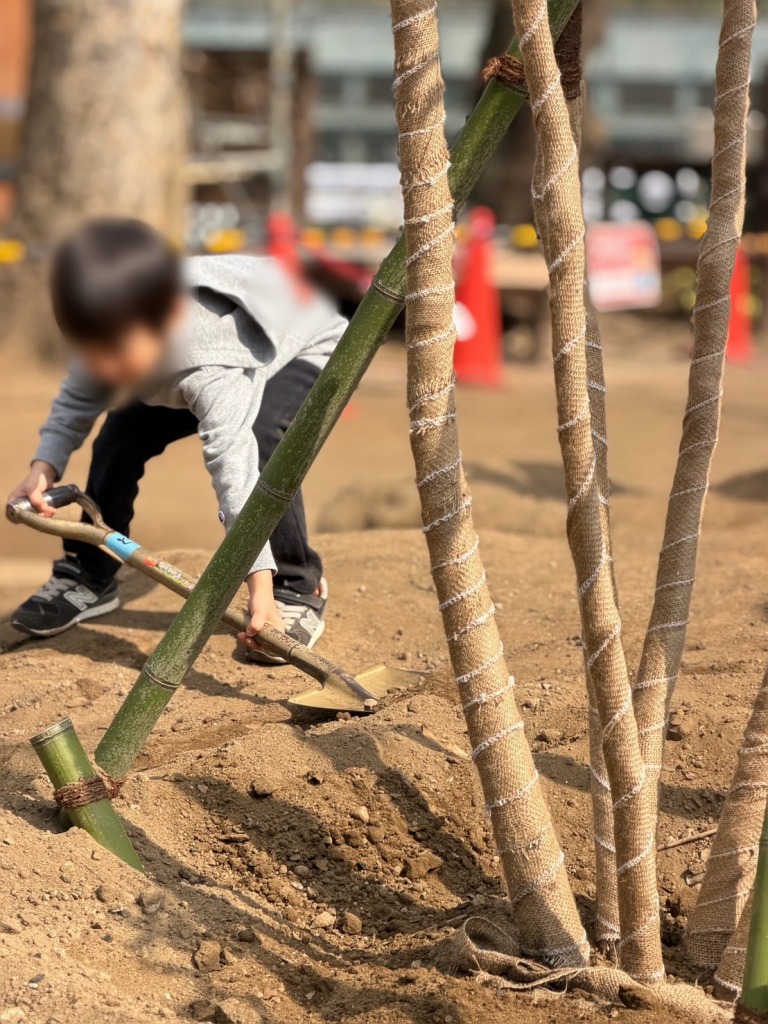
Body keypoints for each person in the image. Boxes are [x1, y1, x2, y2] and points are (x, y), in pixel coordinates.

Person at [7, 218, 346, 658]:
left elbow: (236, 476)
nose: (103, 369)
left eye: (114, 353)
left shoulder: (211, 366)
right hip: (184, 358)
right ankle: (89, 574)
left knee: (263, 440)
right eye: (90, 352)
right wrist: (43, 468)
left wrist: (257, 586)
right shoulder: (111, 326)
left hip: (303, 346)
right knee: (118, 436)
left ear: (164, 320)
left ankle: (295, 584)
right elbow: (77, 398)